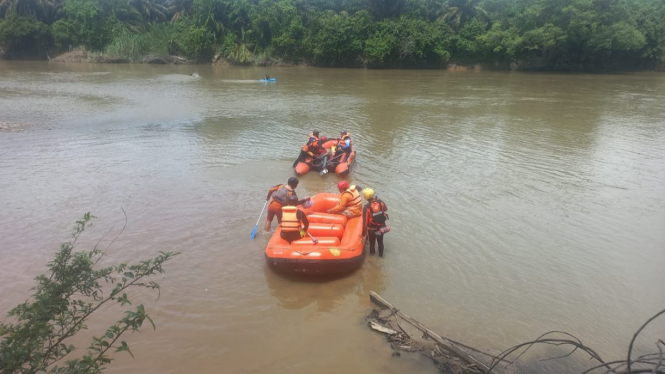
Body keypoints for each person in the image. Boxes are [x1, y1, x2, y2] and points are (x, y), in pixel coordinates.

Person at [362, 188, 388, 256]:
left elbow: (365, 222)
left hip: (372, 230)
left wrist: (363, 234)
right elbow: (385, 209)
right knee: (380, 242)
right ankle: (381, 256)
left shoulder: (366, 207)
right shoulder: (380, 202)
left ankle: (372, 258)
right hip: (381, 228)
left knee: (372, 244)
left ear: (365, 197)